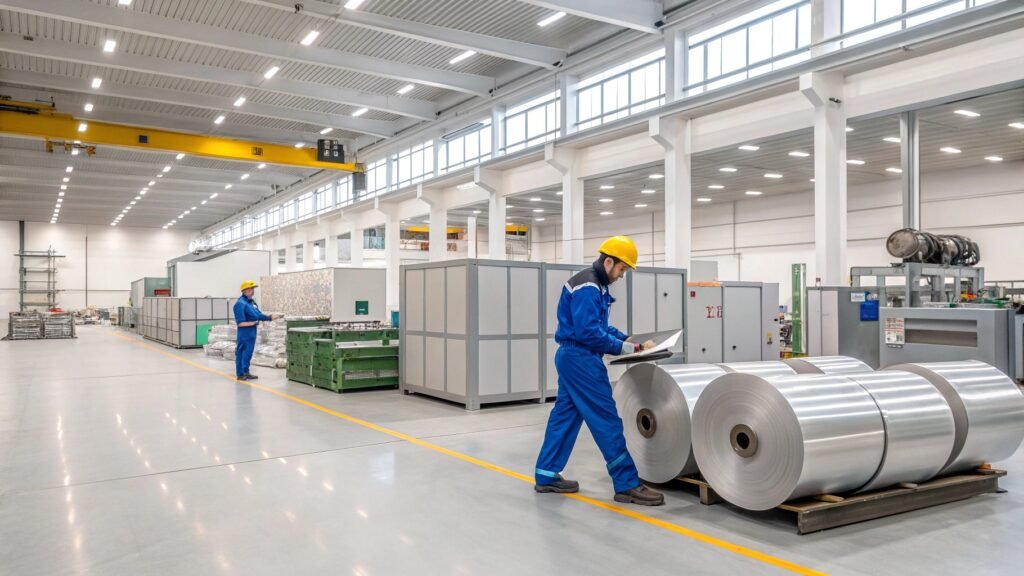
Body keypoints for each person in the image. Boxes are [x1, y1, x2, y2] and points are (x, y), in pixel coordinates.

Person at [534, 236, 664, 506]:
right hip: (581, 359)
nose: (622, 275)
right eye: (622, 269)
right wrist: (626, 349)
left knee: (565, 416)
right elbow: (589, 332)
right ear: (608, 262)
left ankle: (545, 474)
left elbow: (601, 327)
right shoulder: (589, 286)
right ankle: (626, 483)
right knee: (606, 419)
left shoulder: (596, 285)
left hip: (573, 357)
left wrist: (629, 341)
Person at [233, 280, 280, 381]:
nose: (253, 291)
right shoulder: (240, 304)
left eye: (253, 289)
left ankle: (246, 371)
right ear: (244, 291)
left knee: (248, 353)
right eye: (250, 289)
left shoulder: (251, 302)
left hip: (252, 332)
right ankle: (240, 374)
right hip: (244, 333)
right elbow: (240, 323)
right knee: (241, 352)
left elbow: (258, 315)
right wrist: (255, 322)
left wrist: (268, 317)